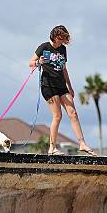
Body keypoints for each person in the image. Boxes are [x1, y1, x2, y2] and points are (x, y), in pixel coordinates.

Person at [29, 25, 96, 156]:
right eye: (61, 37)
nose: (63, 40)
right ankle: (52, 148)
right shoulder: (44, 47)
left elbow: (64, 69)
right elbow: (31, 62)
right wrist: (39, 62)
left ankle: (82, 143)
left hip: (61, 86)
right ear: (55, 36)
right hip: (48, 86)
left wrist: (70, 86)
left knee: (73, 113)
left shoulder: (63, 49)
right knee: (57, 116)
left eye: (65, 37)